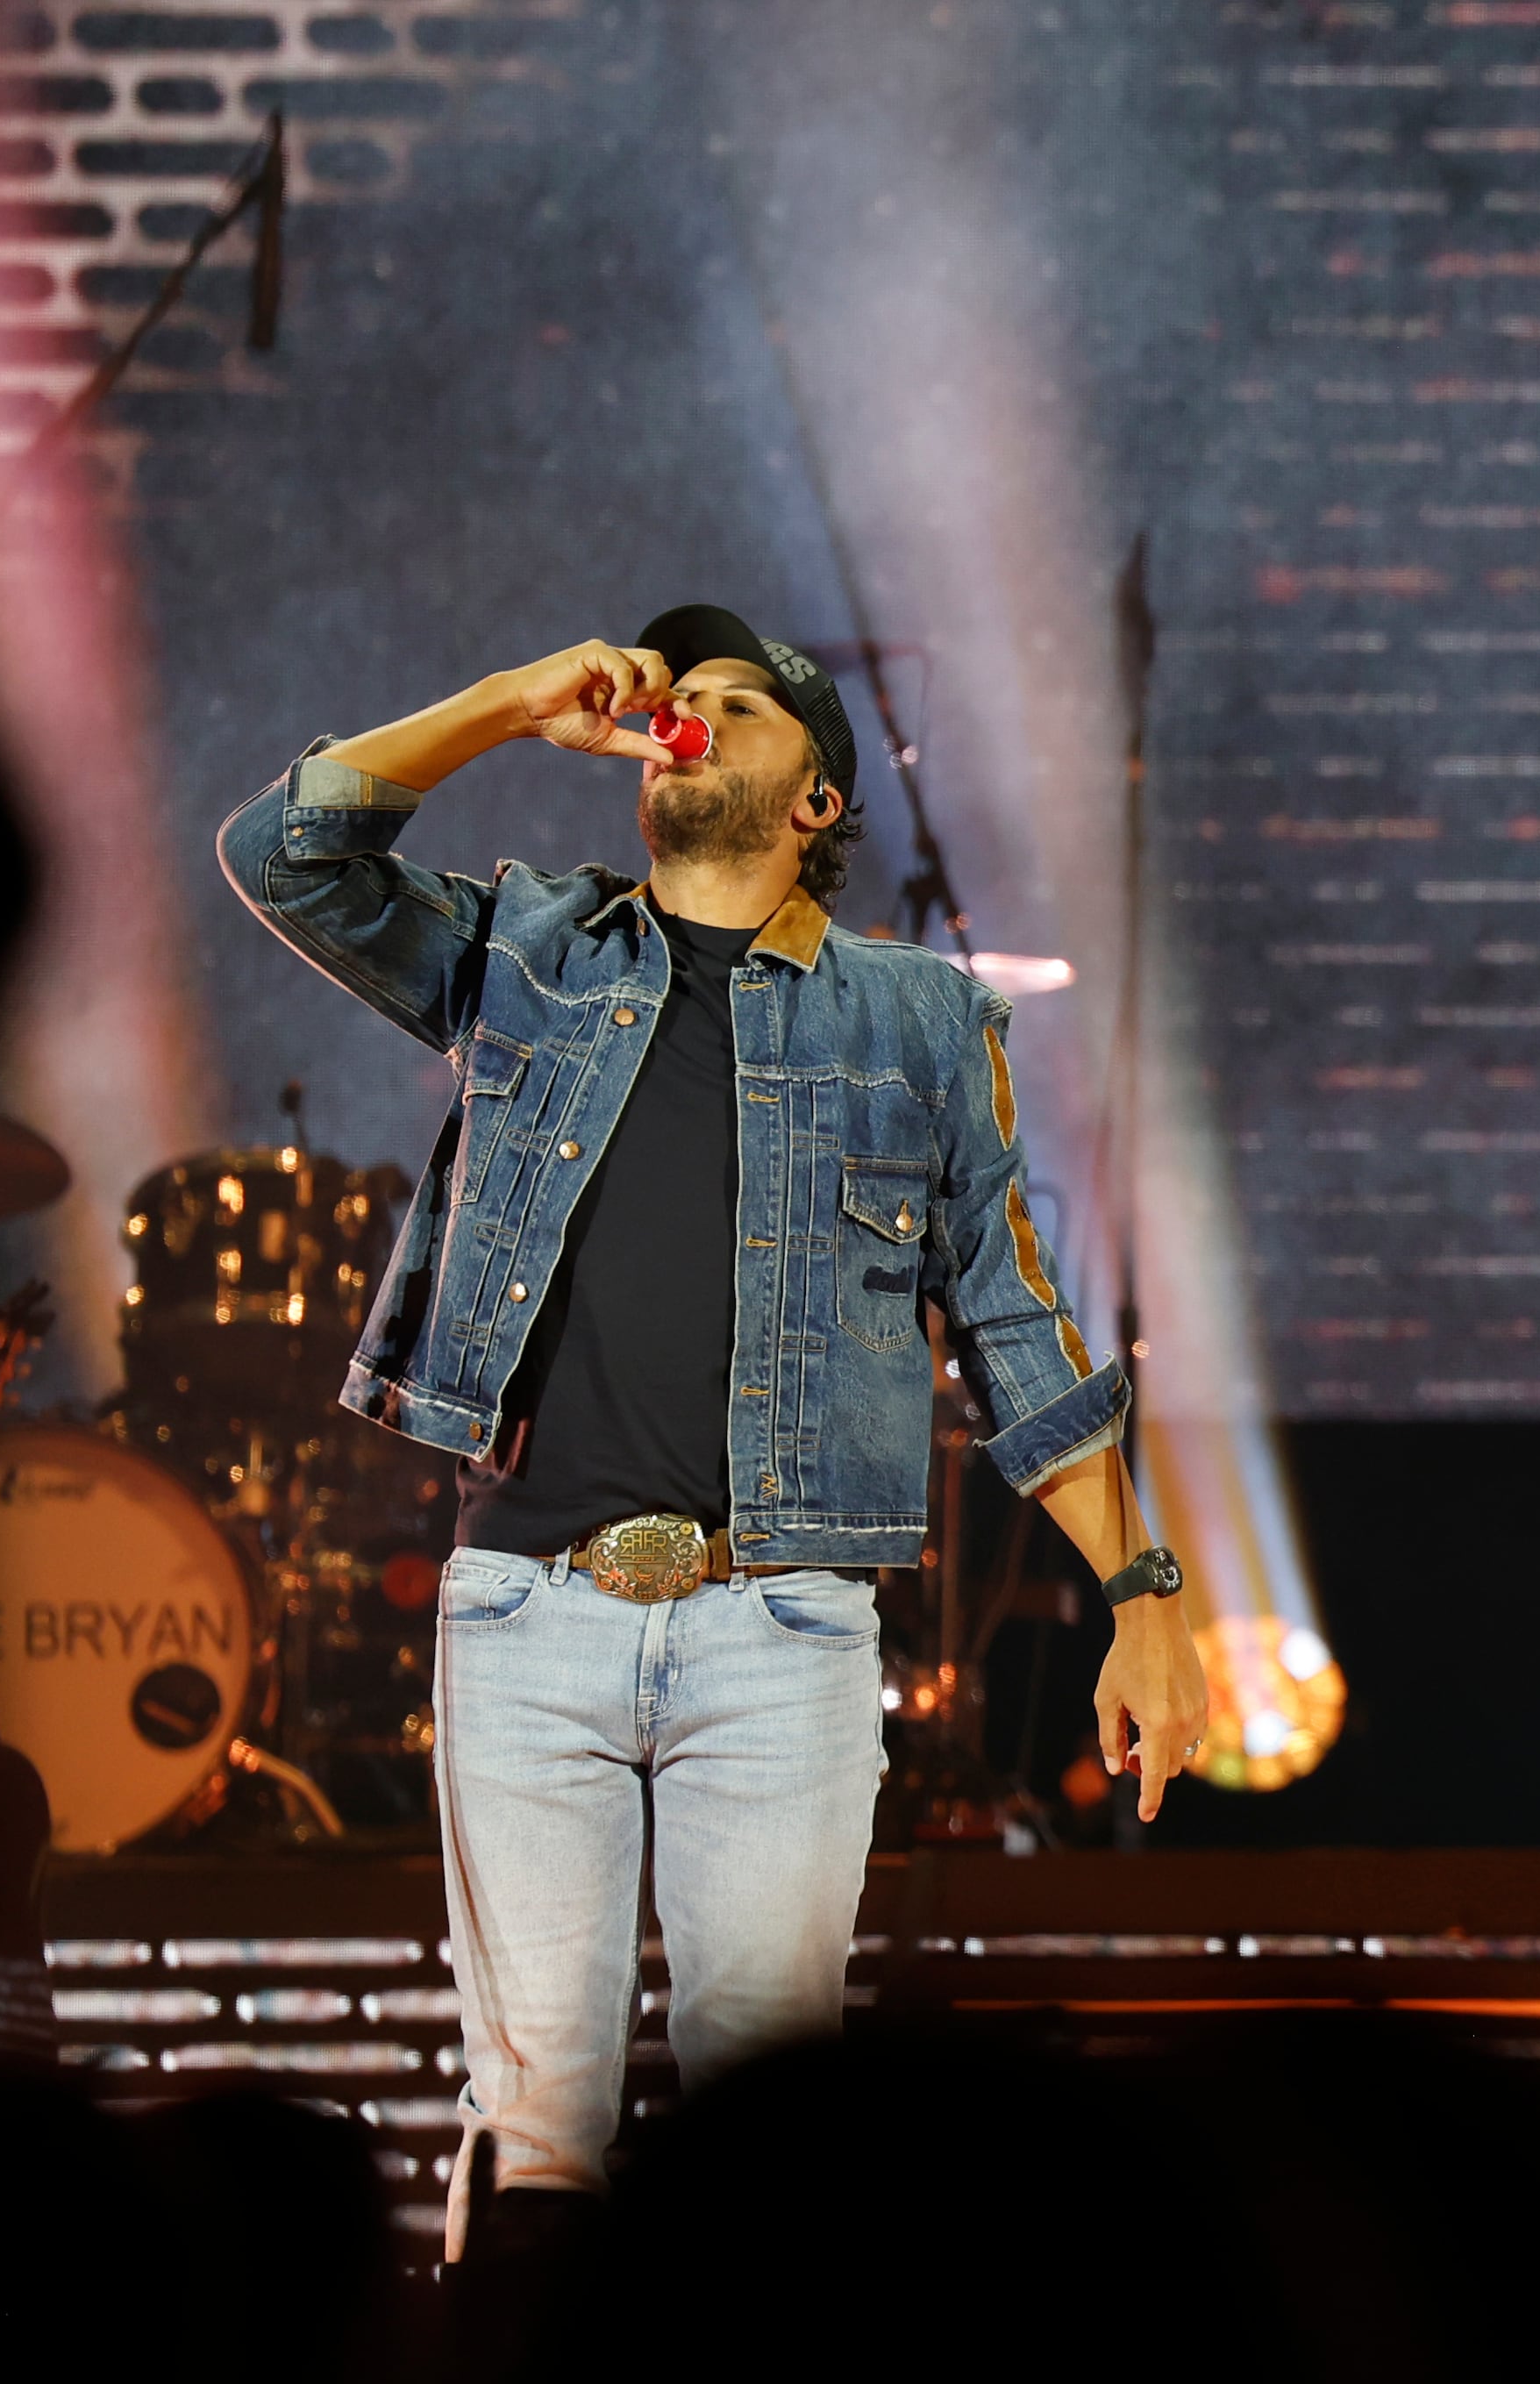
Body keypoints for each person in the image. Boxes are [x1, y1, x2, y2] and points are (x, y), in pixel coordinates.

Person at [217, 608, 1208, 2259]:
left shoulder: (919, 1020)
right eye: (680, 696)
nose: (690, 714)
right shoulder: (527, 950)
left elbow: (1016, 1329)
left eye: (739, 703)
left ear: (818, 798)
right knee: (536, 2131)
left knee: (769, 2145)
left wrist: (1143, 1590)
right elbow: (285, 853)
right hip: (528, 1615)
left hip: (782, 1629)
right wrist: (507, 702)